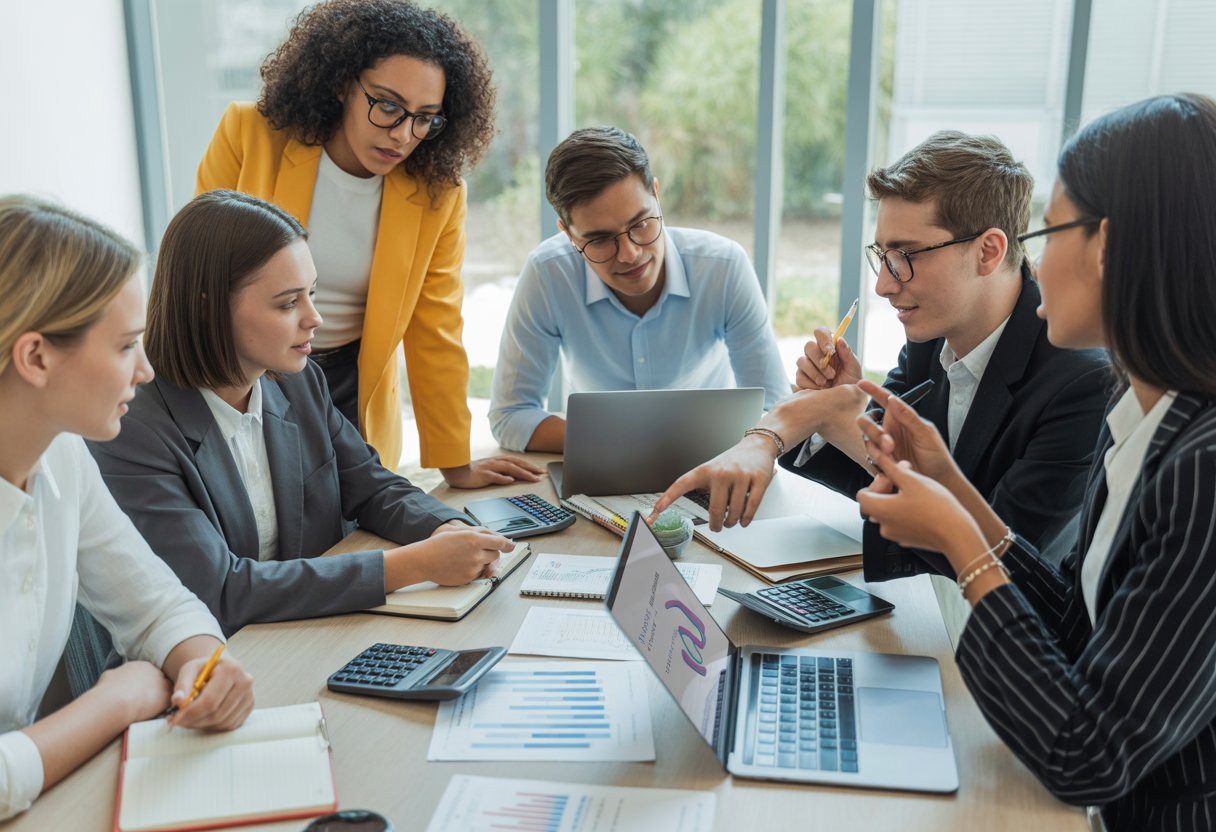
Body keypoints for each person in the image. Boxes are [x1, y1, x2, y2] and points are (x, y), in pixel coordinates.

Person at [855, 93, 1216, 831]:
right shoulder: (1143, 418)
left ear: (1109, 247)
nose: (1033, 259)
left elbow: (1090, 753)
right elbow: (1078, 632)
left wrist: (959, 540)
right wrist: (952, 489)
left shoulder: (1202, 471)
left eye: (1048, 233)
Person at [653, 131, 1109, 581]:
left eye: (907, 255)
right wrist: (845, 406)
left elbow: (1003, 560)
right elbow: (867, 479)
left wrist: (839, 421)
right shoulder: (934, 329)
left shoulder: (1081, 383)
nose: (884, 285)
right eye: (883, 255)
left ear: (988, 251)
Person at [89, 191, 514, 637]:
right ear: (206, 306)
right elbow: (220, 591)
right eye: (288, 303)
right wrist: (409, 565)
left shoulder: (300, 379)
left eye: (312, 294)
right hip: (215, 658)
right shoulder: (131, 426)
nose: (316, 319)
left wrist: (446, 528)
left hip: (308, 629)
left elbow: (372, 488)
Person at [196, 0, 542, 488]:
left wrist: (454, 461)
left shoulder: (438, 192)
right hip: (242, 368)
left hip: (347, 385)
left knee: (351, 535)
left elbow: (435, 327)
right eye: (387, 105)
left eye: (425, 118)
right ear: (342, 84)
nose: (403, 135)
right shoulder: (249, 134)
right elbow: (198, 271)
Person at [0, 195, 255, 820]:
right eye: (124, 347)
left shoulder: (62, 459)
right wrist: (114, 702)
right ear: (35, 356)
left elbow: (158, 607)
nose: (144, 371)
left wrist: (202, 663)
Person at [488, 126, 789, 452]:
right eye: (600, 239)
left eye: (640, 224)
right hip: (600, 462)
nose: (630, 254)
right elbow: (510, 415)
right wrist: (626, 444)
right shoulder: (548, 273)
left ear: (656, 195)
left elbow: (774, 406)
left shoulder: (723, 267)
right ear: (569, 234)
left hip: (714, 460)